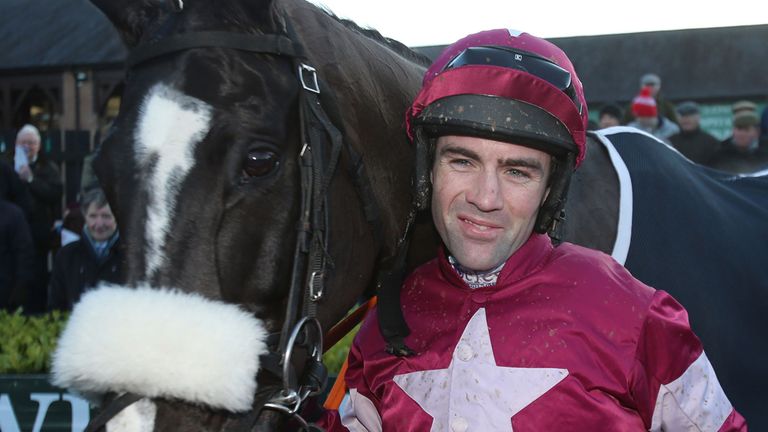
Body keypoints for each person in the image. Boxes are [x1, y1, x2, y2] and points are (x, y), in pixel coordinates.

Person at [319, 29, 745, 431]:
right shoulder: (384, 324)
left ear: (548, 191)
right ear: (428, 171)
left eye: (518, 171)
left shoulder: (638, 316)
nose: (486, 197)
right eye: (462, 161)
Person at [14, 124, 63, 313]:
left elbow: (55, 193)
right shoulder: (8, 165)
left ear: (39, 146)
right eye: (23, 142)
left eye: (31, 142)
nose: (27, 146)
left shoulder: (48, 167)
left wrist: (31, 180)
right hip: (14, 234)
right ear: (17, 144)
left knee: (38, 278)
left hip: (39, 236)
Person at [48, 188, 123, 311]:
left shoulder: (131, 257)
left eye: (106, 216)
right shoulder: (67, 255)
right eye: (93, 216)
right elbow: (56, 307)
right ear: (85, 217)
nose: (99, 224)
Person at [709, 107, 768, 173]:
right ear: (733, 130)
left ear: (757, 132)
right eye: (739, 129)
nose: (742, 134)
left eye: (746, 130)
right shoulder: (721, 154)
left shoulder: (764, 152)